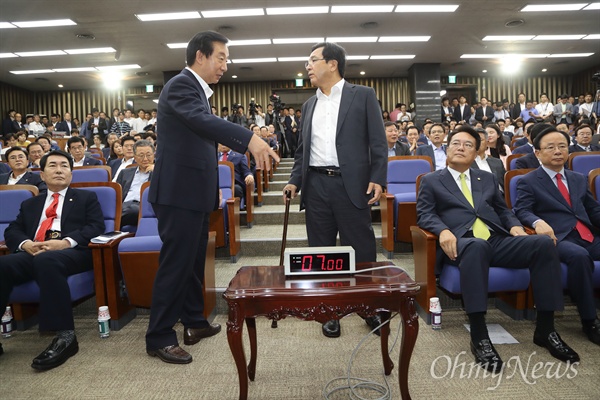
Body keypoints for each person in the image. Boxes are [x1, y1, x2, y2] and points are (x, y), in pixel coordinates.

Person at [145, 31, 278, 365]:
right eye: (221, 57)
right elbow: (202, 122)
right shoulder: (180, 85)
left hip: (193, 193)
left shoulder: (197, 92)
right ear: (200, 56)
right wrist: (249, 139)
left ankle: (194, 322)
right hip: (177, 194)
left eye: (226, 59)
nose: (224, 65)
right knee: (176, 264)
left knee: (192, 263)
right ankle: (159, 335)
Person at [416, 125, 577, 373]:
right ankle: (479, 335)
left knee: (543, 243)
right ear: (448, 148)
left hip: (496, 239)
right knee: (477, 246)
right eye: (456, 143)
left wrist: (515, 228)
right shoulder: (431, 180)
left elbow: (503, 211)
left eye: (469, 145)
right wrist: (443, 230)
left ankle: (546, 329)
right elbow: (425, 214)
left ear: (477, 151)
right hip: (462, 242)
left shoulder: (487, 178)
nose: (461, 148)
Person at [283, 41, 387, 339]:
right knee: (321, 250)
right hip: (316, 185)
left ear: (332, 64)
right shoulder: (308, 104)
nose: (307, 66)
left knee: (362, 247)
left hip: (351, 183)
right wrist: (294, 181)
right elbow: (303, 151)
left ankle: (369, 307)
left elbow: (378, 143)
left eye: (313, 60)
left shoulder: (363, 95)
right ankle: (330, 310)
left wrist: (378, 178)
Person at [0, 150, 105, 369]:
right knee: (4, 264)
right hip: (35, 251)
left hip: (73, 253)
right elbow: (12, 231)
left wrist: (65, 242)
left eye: (64, 166)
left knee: (47, 261)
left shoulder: (86, 198)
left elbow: (96, 227)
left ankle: (66, 336)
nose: (59, 170)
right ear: (42, 174)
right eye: (53, 166)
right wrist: (25, 244)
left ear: (71, 173)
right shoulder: (31, 204)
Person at [514, 127, 600, 347]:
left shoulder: (579, 178)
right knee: (579, 256)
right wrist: (537, 222)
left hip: (587, 234)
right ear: (538, 153)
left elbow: (593, 211)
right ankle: (590, 320)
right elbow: (522, 210)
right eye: (550, 147)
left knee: (583, 251)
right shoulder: (528, 181)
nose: (558, 151)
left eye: (562, 146)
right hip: (558, 238)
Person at [116, 140, 154, 227]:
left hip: (143, 206)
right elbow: (117, 195)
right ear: (135, 157)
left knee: (132, 210)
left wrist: (157, 171)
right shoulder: (125, 172)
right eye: (141, 155)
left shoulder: (159, 172)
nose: (145, 159)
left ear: (153, 155)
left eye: (148, 155)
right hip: (124, 206)